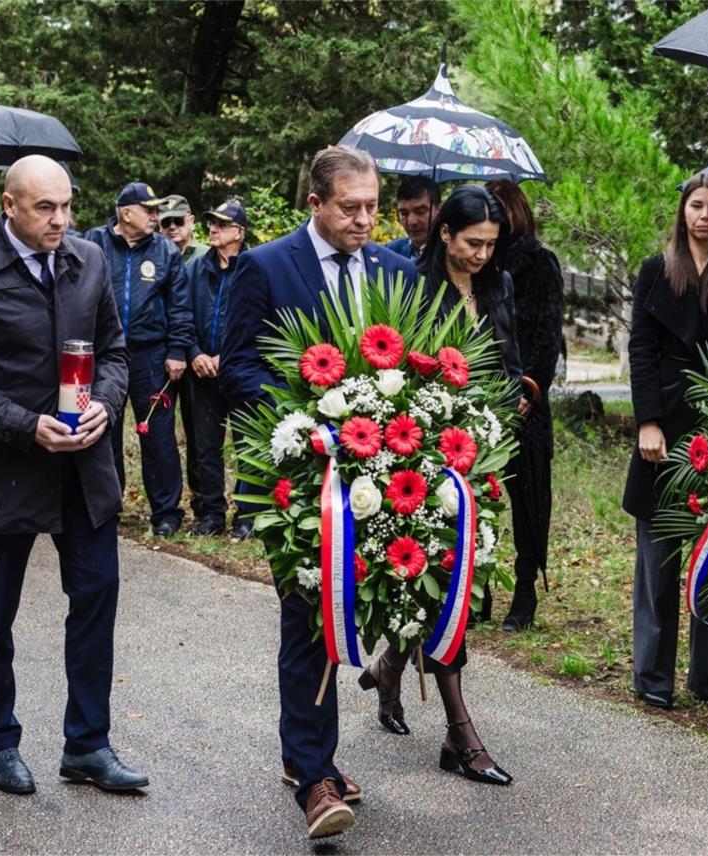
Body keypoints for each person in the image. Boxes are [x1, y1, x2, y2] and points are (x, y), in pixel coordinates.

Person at [0, 155, 148, 795]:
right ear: (9, 205)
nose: (61, 219)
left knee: (96, 598)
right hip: (6, 472)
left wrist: (106, 400)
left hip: (85, 467)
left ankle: (88, 745)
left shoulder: (90, 260)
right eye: (45, 208)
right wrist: (27, 424)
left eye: (67, 206)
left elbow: (114, 349)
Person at [217, 145, 416, 839]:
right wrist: (312, 419)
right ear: (315, 204)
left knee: (352, 611)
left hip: (383, 479)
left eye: (372, 207)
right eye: (350, 208)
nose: (365, 220)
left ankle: (312, 752)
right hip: (299, 481)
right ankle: (313, 775)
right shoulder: (264, 267)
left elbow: (412, 361)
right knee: (309, 615)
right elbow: (238, 369)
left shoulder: (397, 268)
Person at [359, 185, 518, 792]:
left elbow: (509, 356)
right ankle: (461, 733)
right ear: (444, 234)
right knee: (436, 576)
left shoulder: (498, 283)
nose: (481, 254)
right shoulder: (411, 282)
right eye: (471, 242)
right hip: (421, 451)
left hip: (485, 451)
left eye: (490, 245)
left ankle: (389, 665)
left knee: (457, 586)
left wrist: (512, 403)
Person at [623, 173, 708, 711]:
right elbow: (641, 348)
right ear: (683, 212)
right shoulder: (657, 269)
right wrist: (648, 421)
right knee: (658, 555)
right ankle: (653, 676)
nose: (705, 215)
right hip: (664, 423)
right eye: (696, 205)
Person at [84, 182, 190, 536]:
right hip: (103, 357)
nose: (156, 218)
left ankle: (166, 513)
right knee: (102, 433)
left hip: (151, 357)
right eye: (150, 211)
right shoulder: (92, 243)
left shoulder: (165, 251)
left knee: (158, 436)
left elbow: (180, 306)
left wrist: (177, 351)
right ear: (126, 213)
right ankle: (105, 508)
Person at [485, 178, 565, 631]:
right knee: (478, 497)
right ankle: (476, 588)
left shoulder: (538, 262)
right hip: (481, 395)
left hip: (524, 402)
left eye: (497, 210)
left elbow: (546, 336)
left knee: (529, 500)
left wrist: (529, 389)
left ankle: (525, 587)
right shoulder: (479, 261)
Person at [182, 199, 247, 536]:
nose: (213, 229)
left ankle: (247, 516)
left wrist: (229, 356)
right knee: (205, 445)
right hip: (201, 371)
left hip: (239, 372)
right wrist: (194, 353)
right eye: (211, 223)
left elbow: (259, 322)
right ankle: (212, 514)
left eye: (222, 224)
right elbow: (183, 313)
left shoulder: (254, 267)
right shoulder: (195, 268)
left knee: (247, 444)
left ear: (239, 231)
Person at [385, 175, 440, 260]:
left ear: (439, 209)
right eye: (404, 214)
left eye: (420, 212)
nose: (411, 221)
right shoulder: (390, 252)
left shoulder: (453, 254)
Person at [159, 194, 208, 263]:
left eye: (178, 221)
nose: (172, 227)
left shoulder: (208, 256)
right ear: (160, 226)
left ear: (191, 221)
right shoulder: (153, 257)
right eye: (166, 223)